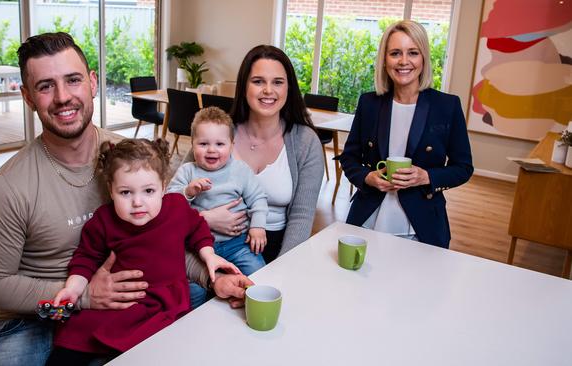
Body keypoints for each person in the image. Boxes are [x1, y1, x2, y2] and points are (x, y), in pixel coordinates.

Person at [0, 32, 252, 366]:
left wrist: (212, 277)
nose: (63, 97)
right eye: (45, 86)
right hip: (35, 313)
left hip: (135, 295)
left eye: (73, 80)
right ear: (28, 97)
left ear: (92, 82)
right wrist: (86, 295)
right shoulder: (9, 187)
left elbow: (164, 239)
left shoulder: (132, 161)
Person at [45, 138, 238, 364]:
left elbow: (198, 228)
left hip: (162, 307)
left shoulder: (176, 207)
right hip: (117, 305)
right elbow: (85, 257)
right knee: (69, 346)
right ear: (111, 190)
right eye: (126, 193)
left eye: (148, 191)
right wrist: (73, 288)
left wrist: (208, 254)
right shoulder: (104, 220)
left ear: (163, 187)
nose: (138, 202)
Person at [339, 20, 474, 248]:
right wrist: (367, 178)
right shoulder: (369, 103)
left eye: (413, 52)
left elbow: (463, 168)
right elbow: (349, 158)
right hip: (367, 218)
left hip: (422, 223)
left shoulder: (447, 106)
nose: (403, 61)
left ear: (424, 58)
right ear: (385, 60)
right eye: (395, 53)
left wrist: (427, 177)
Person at [193, 45, 324, 264]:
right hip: (210, 246)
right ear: (244, 87)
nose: (268, 90)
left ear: (289, 89)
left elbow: (302, 218)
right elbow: (175, 202)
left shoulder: (305, 141)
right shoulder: (217, 133)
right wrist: (205, 219)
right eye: (258, 81)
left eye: (277, 82)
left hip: (276, 250)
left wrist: (280, 271)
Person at [168, 107, 268, 307]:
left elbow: (258, 198)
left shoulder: (240, 170)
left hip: (237, 243)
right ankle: (193, 317)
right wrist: (187, 192)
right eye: (203, 143)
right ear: (192, 143)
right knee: (193, 289)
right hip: (198, 249)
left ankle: (247, 302)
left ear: (231, 145)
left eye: (219, 144)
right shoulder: (188, 171)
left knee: (257, 269)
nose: (211, 150)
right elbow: (168, 204)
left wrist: (258, 226)